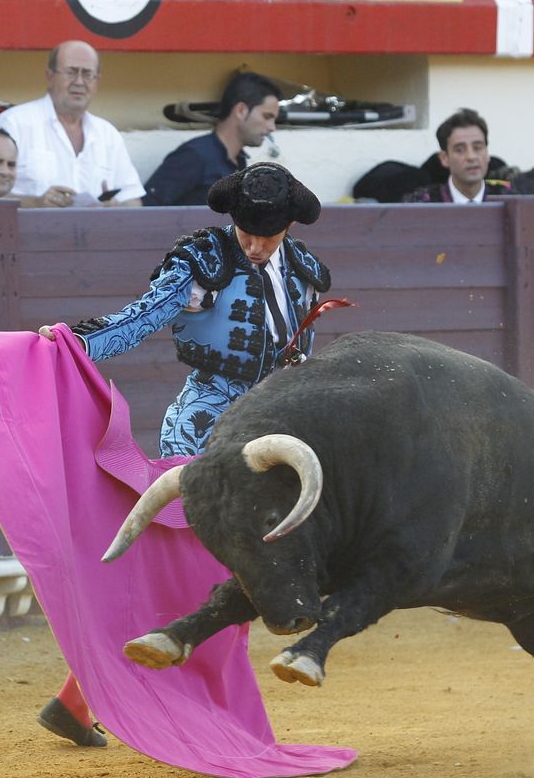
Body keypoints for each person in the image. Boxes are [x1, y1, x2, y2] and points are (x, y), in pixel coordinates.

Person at [34, 162, 330, 746]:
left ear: (289, 226)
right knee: (201, 566)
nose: (252, 245)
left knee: (220, 569)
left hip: (268, 430)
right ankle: (193, 709)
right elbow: (139, 320)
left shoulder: (302, 271)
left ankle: (82, 698)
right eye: (244, 231)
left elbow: (302, 360)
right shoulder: (203, 261)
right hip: (205, 421)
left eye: (265, 236)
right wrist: (71, 345)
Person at [0, 41, 146, 208]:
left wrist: (115, 209)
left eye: (88, 74)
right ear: (50, 76)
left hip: (96, 232)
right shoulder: (14, 124)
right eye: (71, 72)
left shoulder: (108, 135)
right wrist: (36, 203)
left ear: (97, 81)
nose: (79, 82)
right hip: (32, 232)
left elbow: (133, 200)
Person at [143, 73, 279, 206]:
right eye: (267, 117)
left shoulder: (238, 160)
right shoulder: (195, 156)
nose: (272, 127)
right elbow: (146, 213)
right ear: (241, 110)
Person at [402, 108, 512, 203]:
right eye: (460, 150)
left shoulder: (510, 199)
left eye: (477, 148)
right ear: (444, 158)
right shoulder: (420, 203)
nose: (471, 157)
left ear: (487, 153)